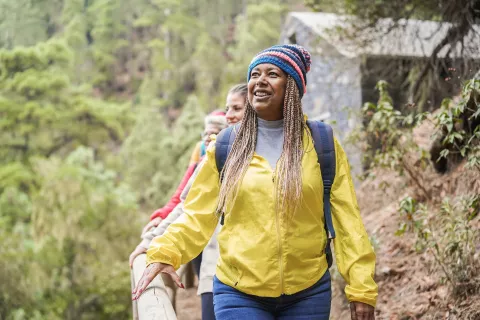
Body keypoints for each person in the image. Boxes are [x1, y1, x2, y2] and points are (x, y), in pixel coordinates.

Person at [132, 45, 378, 320]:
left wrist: (361, 289)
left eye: (272, 74)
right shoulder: (227, 145)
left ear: (293, 87)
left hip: (308, 292)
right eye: (254, 74)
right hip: (239, 291)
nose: (259, 81)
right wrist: (164, 251)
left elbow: (348, 221)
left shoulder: (321, 143)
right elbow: (196, 215)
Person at [130, 84, 247, 320]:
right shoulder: (213, 153)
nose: (230, 114)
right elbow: (187, 203)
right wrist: (152, 241)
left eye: (237, 108)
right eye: (227, 108)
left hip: (252, 279)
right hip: (215, 270)